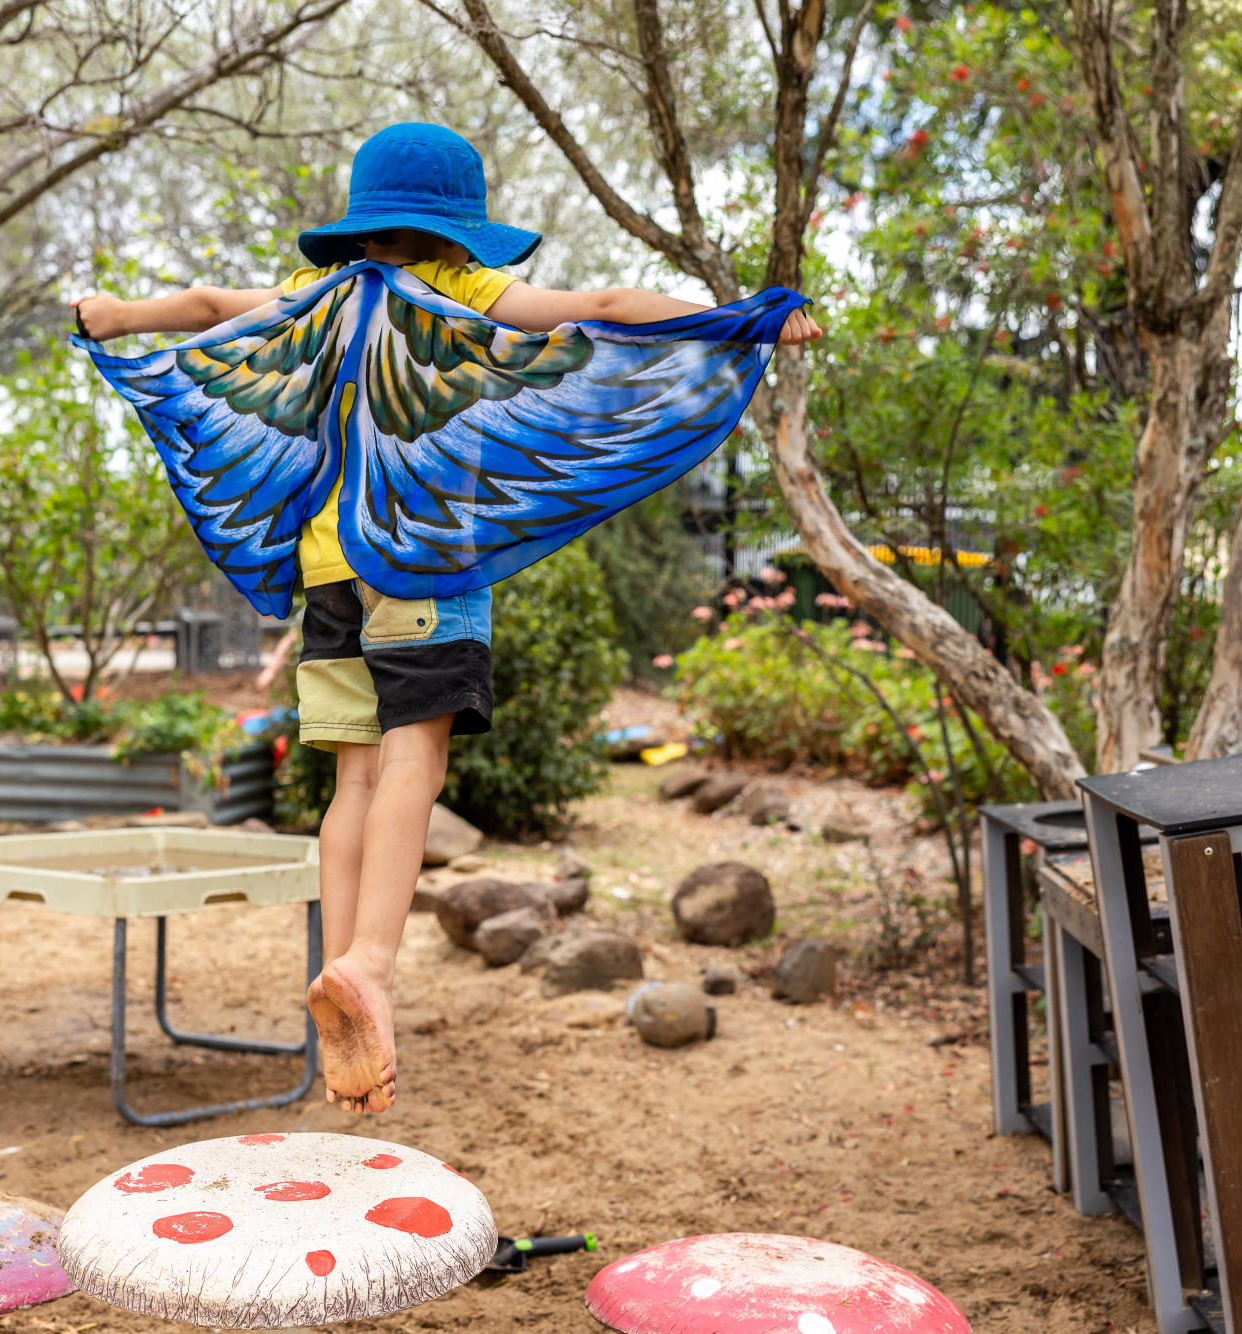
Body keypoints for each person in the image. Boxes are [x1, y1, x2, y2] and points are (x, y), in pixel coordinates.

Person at [73, 123, 822, 1117]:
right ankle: (372, 966)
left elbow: (208, 308)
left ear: (361, 223)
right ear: (457, 229)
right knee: (412, 758)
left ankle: (339, 965)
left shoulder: (319, 300)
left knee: (351, 773)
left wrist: (109, 313)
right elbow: (603, 308)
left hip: (325, 569)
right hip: (424, 559)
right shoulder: (458, 294)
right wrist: (741, 319)